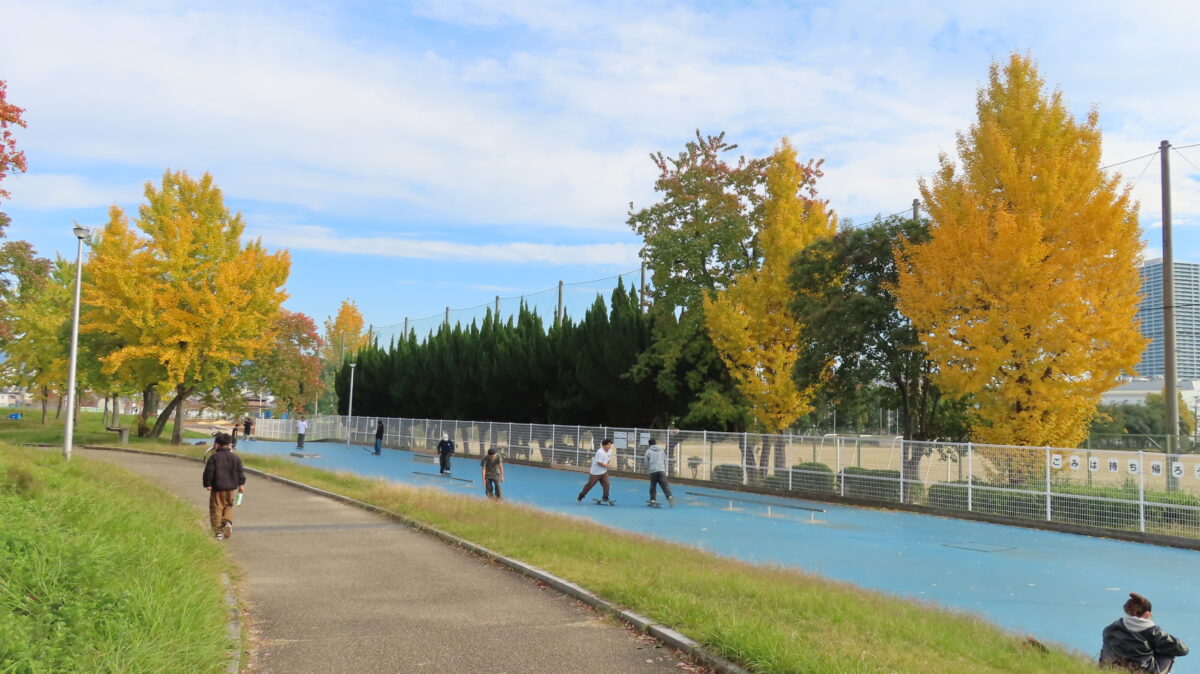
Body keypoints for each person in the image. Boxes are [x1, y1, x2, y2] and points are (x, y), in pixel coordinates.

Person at [1100, 592, 1189, 673]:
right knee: (1169, 652)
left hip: (1109, 668)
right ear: (1147, 613)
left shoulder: (1111, 628)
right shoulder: (1152, 631)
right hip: (1140, 671)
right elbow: (1182, 649)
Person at [203, 432, 245, 540]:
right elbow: (240, 472)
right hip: (231, 488)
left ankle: (218, 532)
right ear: (230, 444)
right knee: (228, 506)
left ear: (217, 444)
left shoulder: (214, 457)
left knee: (216, 508)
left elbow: (209, 472)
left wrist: (208, 484)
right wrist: (241, 484)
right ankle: (227, 523)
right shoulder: (235, 458)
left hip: (217, 488)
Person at [577, 438, 614, 504]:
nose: (610, 446)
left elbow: (608, 459)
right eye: (608, 445)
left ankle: (605, 498)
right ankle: (581, 496)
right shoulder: (600, 452)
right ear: (604, 445)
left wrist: (607, 465)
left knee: (607, 485)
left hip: (604, 472)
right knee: (589, 485)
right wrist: (607, 466)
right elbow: (599, 463)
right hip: (595, 473)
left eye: (610, 445)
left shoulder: (610, 451)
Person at [644, 438, 674, 507]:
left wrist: (648, 468)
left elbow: (646, 462)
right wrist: (665, 469)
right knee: (665, 485)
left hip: (653, 471)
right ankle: (669, 496)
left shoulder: (648, 451)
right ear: (655, 443)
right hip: (661, 470)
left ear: (649, 444)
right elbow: (665, 460)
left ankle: (653, 499)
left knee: (653, 485)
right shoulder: (661, 450)